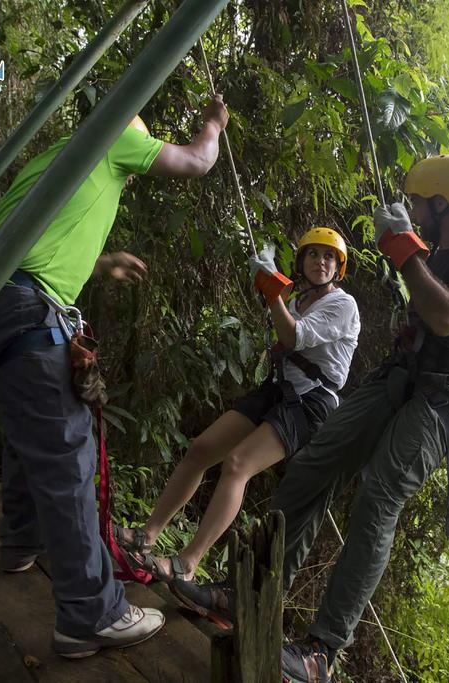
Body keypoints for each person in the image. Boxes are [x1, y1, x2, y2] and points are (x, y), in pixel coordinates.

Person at [174, 155, 449, 682]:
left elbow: (448, 317)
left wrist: (404, 254)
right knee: (312, 464)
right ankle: (248, 593)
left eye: (420, 204)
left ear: (443, 203)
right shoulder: (437, 254)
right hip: (399, 380)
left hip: (445, 398)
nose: (414, 214)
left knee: (379, 493)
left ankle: (320, 652)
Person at [0, 96, 229, 659]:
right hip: (26, 307)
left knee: (27, 429)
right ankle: (91, 614)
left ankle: (18, 543)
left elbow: (39, 240)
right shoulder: (113, 138)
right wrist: (212, 126)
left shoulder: (57, 160)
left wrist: (102, 264)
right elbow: (198, 162)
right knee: (68, 453)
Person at [113, 228, 361, 624]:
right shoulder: (297, 300)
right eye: (313, 255)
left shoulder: (342, 304)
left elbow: (293, 337)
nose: (321, 262)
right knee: (200, 449)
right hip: (279, 389)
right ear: (302, 262)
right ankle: (148, 535)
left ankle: (187, 562)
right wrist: (277, 295)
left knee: (237, 464)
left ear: (339, 267)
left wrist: (271, 294)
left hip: (311, 403)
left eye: (329, 257)